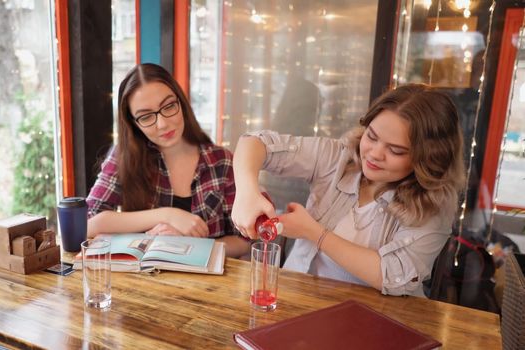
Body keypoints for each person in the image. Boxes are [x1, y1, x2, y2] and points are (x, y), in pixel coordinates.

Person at [231, 84, 466, 296]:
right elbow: (255, 142)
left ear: (428, 158)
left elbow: (392, 276)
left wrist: (314, 232)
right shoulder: (338, 158)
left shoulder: (434, 204)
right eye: (371, 137)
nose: (374, 153)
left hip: (371, 322)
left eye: (395, 150)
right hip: (296, 300)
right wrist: (246, 192)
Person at [87, 63, 249, 258]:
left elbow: (243, 240)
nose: (163, 124)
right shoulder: (124, 157)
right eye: (146, 116)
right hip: (143, 282)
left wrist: (193, 245)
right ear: (134, 124)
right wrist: (168, 215)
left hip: (208, 286)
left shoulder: (221, 162)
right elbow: (89, 223)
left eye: (169, 106)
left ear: (181, 102)